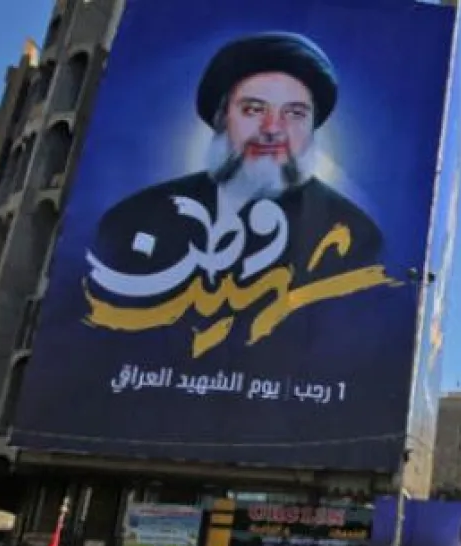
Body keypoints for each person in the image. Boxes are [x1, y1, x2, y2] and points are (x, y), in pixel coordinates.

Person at [82, 32, 384, 342]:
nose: (272, 130)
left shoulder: (352, 240)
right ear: (222, 118)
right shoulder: (134, 220)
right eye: (254, 110)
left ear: (312, 128)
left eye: (294, 113)